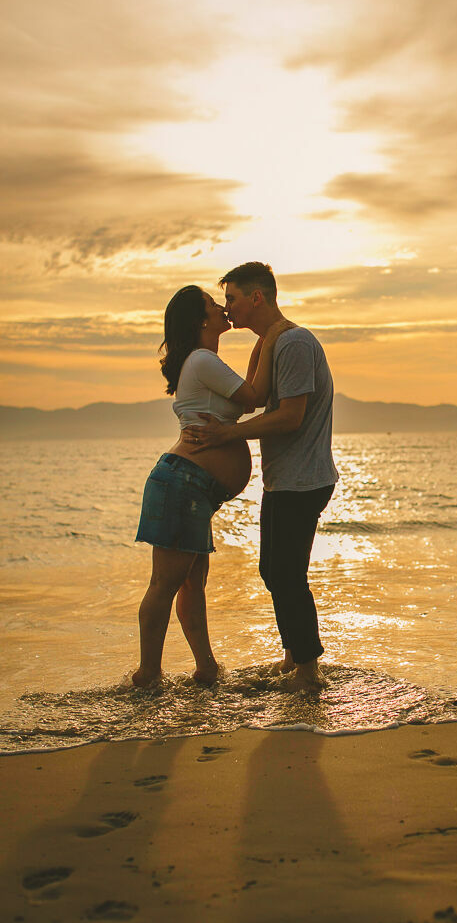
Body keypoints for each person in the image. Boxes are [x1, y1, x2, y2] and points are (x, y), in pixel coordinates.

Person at [184, 262, 338, 691]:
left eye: (232, 298)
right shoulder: (277, 340)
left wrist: (226, 434)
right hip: (286, 478)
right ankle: (294, 658)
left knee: (287, 574)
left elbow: (290, 417)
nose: (227, 307)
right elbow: (255, 396)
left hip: (303, 479)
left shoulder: (294, 342)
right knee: (274, 570)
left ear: (257, 298)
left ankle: (308, 671)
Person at [132, 283, 290, 688]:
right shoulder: (202, 360)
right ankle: (147, 674)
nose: (222, 307)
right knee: (165, 583)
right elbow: (255, 395)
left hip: (193, 490)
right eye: (211, 303)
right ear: (201, 319)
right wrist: (271, 335)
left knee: (191, 583)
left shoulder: (205, 361)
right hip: (182, 484)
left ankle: (206, 668)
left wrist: (263, 339)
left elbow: (249, 393)